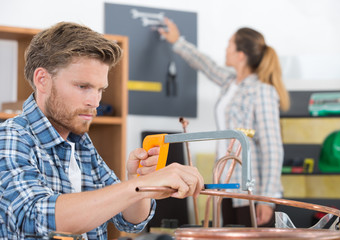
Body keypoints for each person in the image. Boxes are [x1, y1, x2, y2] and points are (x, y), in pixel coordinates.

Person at [0, 22, 204, 240]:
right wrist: (139, 185)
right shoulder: (11, 137)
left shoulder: (82, 145)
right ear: (43, 80)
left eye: (100, 90)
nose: (94, 102)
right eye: (83, 86)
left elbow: (130, 220)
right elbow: (36, 216)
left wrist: (138, 180)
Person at [159, 18, 290, 227]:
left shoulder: (261, 91)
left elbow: (272, 147)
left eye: (230, 44)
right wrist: (178, 42)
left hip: (252, 192)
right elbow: (206, 64)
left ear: (241, 55)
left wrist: (268, 198)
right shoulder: (231, 82)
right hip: (227, 186)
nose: (225, 48)